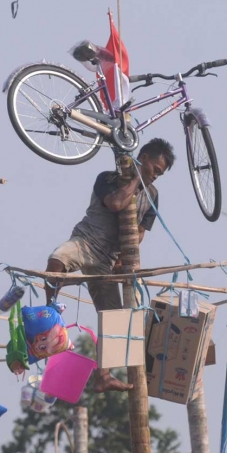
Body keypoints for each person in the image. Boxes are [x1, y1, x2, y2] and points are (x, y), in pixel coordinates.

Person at [45, 138, 175, 392]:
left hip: (107, 260)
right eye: (155, 169)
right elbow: (116, 203)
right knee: (56, 260)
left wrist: (125, 257)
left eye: (160, 174)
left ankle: (103, 375)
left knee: (115, 320)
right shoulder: (107, 178)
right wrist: (137, 179)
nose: (156, 177)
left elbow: (140, 231)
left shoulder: (153, 196)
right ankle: (50, 316)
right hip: (85, 242)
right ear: (143, 157)